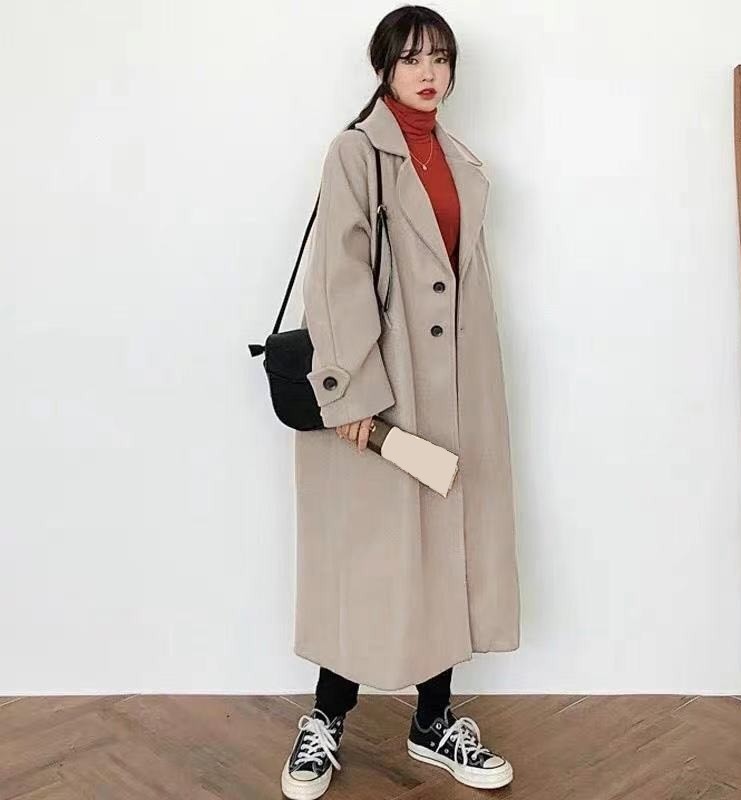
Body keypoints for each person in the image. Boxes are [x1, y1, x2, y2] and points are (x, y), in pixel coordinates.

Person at [281, 6, 521, 798]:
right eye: (413, 57)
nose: (429, 72)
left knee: (442, 547)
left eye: (440, 58)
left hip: (454, 382)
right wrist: (352, 391)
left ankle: (434, 721)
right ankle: (325, 721)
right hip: (381, 387)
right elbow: (336, 273)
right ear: (384, 66)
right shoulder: (356, 151)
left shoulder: (460, 160)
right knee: (367, 554)